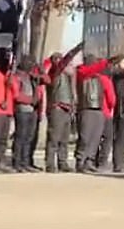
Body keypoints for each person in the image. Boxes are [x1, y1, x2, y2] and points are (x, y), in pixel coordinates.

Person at [44, 42, 84, 172]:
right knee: (54, 137)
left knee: (64, 139)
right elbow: (64, 62)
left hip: (67, 108)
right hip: (57, 107)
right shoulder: (55, 73)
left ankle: (63, 162)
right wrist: (75, 50)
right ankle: (50, 163)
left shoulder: (68, 77)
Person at [75, 54, 117, 173]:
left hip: (98, 109)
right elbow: (89, 70)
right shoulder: (81, 73)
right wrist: (104, 62)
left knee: (95, 138)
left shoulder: (99, 78)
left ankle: (89, 161)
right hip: (86, 108)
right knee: (85, 137)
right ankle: (80, 161)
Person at [12, 55, 44, 172]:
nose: (31, 65)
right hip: (22, 110)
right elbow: (16, 95)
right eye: (29, 63)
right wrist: (31, 100)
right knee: (21, 136)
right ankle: (17, 162)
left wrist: (42, 71)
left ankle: (25, 162)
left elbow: (47, 80)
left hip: (33, 110)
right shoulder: (17, 76)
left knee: (29, 138)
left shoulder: (32, 77)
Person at [95, 69, 116, 171]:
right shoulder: (106, 80)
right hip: (106, 112)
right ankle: (103, 162)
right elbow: (111, 99)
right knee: (107, 138)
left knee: (95, 138)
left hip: (94, 111)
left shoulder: (92, 78)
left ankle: (93, 160)